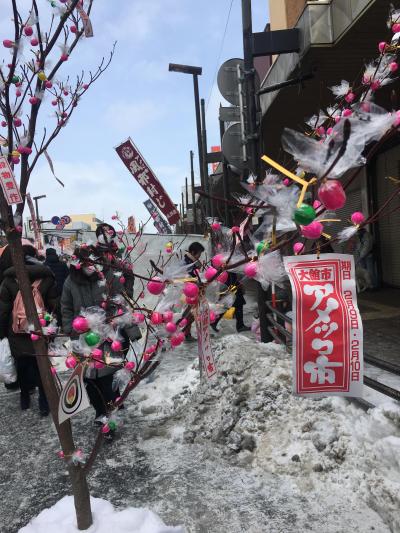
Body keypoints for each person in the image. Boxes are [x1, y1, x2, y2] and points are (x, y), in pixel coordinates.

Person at [61, 246, 140, 429]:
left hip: (107, 338)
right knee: (89, 380)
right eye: (85, 262)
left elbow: (121, 304)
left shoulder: (109, 277)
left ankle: (112, 414)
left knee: (107, 378)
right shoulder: (70, 282)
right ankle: (100, 411)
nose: (90, 266)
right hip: (82, 339)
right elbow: (65, 308)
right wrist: (70, 330)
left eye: (92, 261)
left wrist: (132, 331)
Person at [0, 244, 58, 414]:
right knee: (41, 366)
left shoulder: (9, 280)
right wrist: (53, 328)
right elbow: (55, 305)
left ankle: (24, 396)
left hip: (16, 333)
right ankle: (44, 401)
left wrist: (2, 333)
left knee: (22, 366)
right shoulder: (46, 278)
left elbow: (3, 311)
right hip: (40, 330)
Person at [182, 242, 205, 341]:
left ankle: (186, 333)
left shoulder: (191, 261)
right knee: (189, 313)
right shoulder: (188, 263)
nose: (200, 256)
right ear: (192, 252)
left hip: (192, 290)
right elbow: (189, 277)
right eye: (199, 253)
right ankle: (186, 334)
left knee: (190, 313)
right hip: (189, 291)